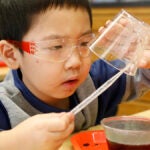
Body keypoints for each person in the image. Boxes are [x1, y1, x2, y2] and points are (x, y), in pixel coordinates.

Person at [0, 0, 150, 149]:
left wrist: (146, 53)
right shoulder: (4, 106)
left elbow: (144, 74)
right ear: (11, 55)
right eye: (56, 46)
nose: (75, 62)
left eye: (84, 43)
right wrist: (15, 141)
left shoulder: (95, 81)